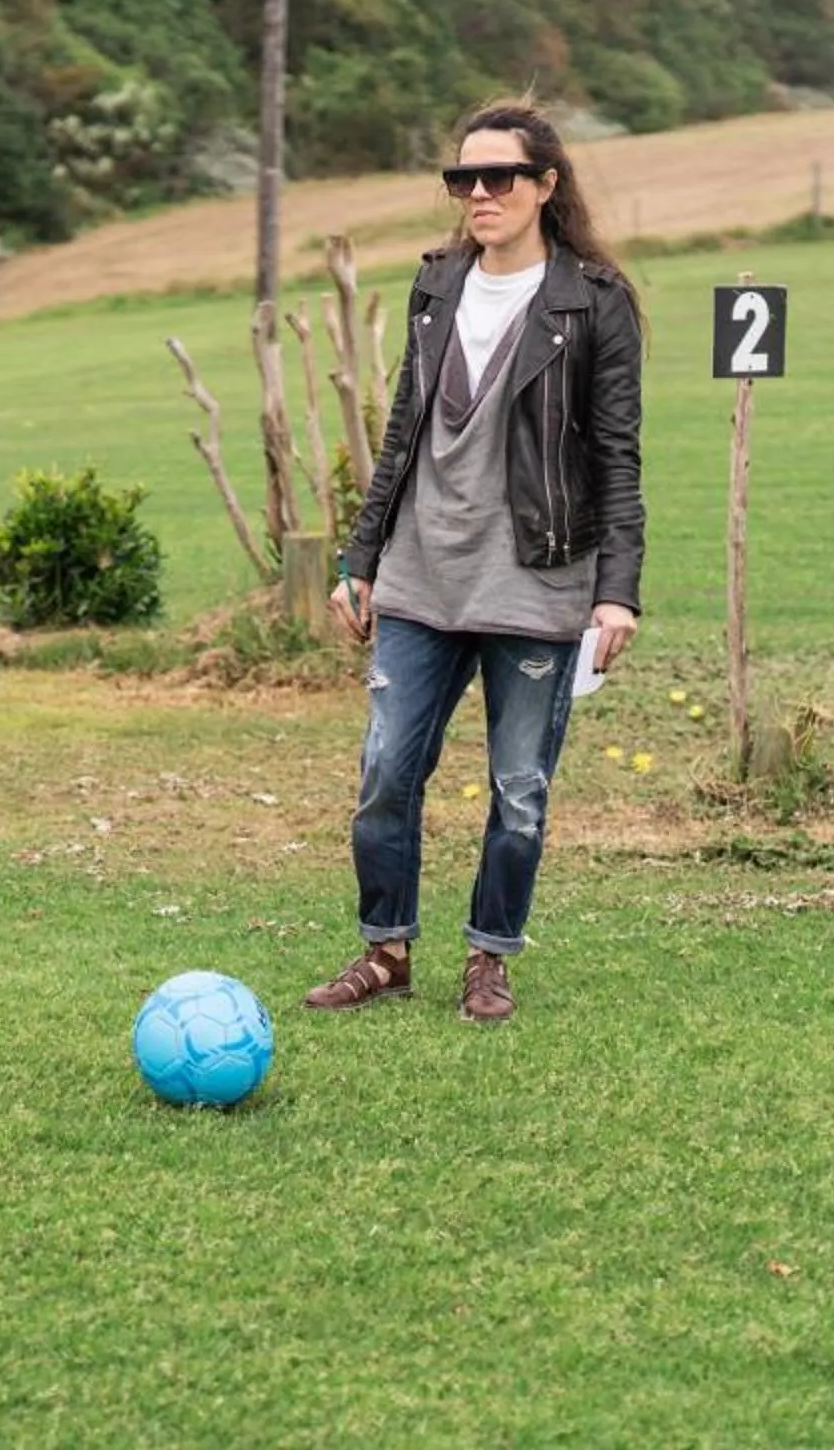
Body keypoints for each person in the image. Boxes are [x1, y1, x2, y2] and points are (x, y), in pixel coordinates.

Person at [303, 101, 644, 1023]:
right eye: (464, 179)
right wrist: (361, 557)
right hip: (421, 575)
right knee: (385, 774)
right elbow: (401, 435)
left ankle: (490, 956)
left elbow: (617, 456)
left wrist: (617, 592)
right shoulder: (438, 283)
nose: (479, 194)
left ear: (546, 185)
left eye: (499, 177)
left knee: (519, 790)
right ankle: (386, 952)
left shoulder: (594, 300)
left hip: (536, 580)